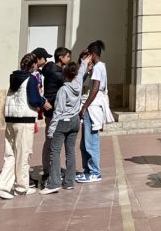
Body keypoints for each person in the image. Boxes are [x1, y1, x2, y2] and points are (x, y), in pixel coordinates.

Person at [0, 53, 45, 199]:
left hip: (11, 120)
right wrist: (43, 102)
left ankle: (2, 186)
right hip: (24, 120)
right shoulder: (31, 79)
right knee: (23, 155)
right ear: (33, 65)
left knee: (10, 155)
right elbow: (34, 99)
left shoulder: (13, 78)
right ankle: (21, 187)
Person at [41, 61, 83, 194]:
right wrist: (84, 62)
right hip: (75, 120)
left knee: (55, 152)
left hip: (63, 122)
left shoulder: (63, 90)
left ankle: (54, 183)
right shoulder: (79, 85)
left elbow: (58, 112)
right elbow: (81, 73)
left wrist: (51, 130)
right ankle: (69, 181)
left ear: (64, 74)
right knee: (70, 151)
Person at [78, 40, 113, 184]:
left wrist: (85, 106)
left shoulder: (98, 67)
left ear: (91, 54)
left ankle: (94, 172)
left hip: (92, 107)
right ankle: (87, 170)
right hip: (90, 106)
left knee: (91, 141)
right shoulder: (96, 67)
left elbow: (96, 87)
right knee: (84, 143)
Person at [37, 47, 64, 186]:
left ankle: (49, 169)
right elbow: (68, 82)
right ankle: (50, 171)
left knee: (49, 141)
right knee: (52, 142)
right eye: (44, 58)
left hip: (50, 111)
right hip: (53, 110)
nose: (46, 61)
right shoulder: (54, 71)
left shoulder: (46, 71)